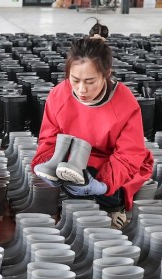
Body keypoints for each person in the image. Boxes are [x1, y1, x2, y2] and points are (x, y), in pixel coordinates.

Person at [31, 21, 153, 229]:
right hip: (73, 163)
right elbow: (48, 140)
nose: (81, 89)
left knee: (110, 193)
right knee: (70, 183)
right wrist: (48, 164)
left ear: (107, 74)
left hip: (112, 165)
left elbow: (128, 155)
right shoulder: (59, 95)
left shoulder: (124, 102)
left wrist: (102, 184)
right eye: (75, 80)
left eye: (90, 81)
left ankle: (114, 208)